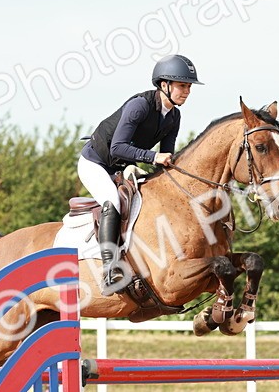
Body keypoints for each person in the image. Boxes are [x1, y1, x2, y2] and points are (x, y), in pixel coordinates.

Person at [78, 53, 202, 294]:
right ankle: (110, 269)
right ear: (164, 85)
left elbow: (166, 158)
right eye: (182, 85)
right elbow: (117, 147)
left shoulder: (174, 116)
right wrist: (153, 157)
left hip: (122, 167)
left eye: (189, 87)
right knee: (112, 201)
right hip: (96, 163)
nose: (187, 91)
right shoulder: (140, 106)